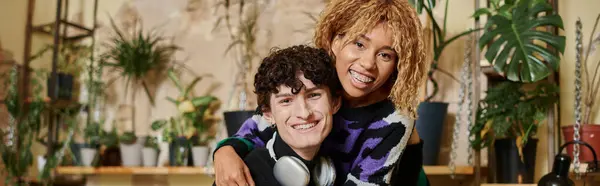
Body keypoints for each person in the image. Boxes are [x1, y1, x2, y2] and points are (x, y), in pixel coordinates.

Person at [214, 0, 430, 185]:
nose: (367, 64)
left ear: (397, 65)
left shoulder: (394, 120)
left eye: (385, 55)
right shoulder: (315, 82)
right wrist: (225, 152)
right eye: (359, 44)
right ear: (335, 41)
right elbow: (259, 125)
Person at [216, 45, 342, 186]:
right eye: (286, 101)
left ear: (335, 103)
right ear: (268, 114)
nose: (304, 113)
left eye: (313, 95)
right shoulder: (245, 175)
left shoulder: (335, 170)